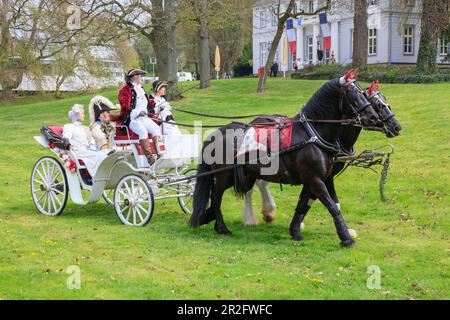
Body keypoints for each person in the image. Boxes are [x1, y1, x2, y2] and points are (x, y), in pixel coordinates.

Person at [113, 68, 163, 165]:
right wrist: (136, 112)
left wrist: (153, 104)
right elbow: (124, 106)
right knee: (142, 130)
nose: (142, 78)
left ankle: (159, 154)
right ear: (135, 77)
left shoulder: (141, 88)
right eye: (140, 76)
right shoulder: (125, 90)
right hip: (132, 119)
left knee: (156, 129)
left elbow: (146, 104)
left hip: (143, 118)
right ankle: (150, 158)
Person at [63, 104, 107, 178]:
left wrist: (92, 146)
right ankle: (98, 176)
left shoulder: (84, 128)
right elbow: (66, 137)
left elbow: (90, 139)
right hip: (78, 151)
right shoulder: (69, 127)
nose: (84, 115)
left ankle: (104, 175)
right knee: (99, 155)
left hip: (87, 150)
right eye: (82, 113)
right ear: (77, 115)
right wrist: (67, 142)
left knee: (102, 154)